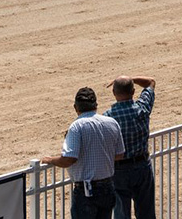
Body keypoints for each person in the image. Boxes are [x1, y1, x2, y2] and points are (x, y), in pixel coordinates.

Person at [42, 87, 125, 219]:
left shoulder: (77, 127)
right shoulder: (112, 123)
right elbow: (119, 154)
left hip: (86, 190)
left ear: (76, 107)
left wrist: (51, 160)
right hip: (107, 186)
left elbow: (69, 159)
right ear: (96, 105)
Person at [103, 75, 156, 219]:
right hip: (142, 165)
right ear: (133, 91)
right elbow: (150, 82)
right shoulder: (142, 109)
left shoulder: (107, 117)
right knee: (146, 213)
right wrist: (131, 78)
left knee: (121, 214)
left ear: (114, 93)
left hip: (119, 169)